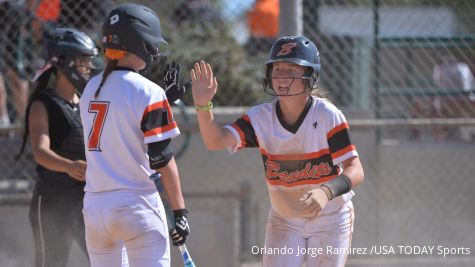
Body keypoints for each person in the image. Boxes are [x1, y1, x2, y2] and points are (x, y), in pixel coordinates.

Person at [191, 36, 364, 266]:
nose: (281, 77)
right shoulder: (261, 118)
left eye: (291, 71)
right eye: (277, 69)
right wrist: (203, 105)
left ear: (309, 77)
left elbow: (356, 170)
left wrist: (325, 192)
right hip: (285, 219)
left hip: (330, 218)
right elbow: (215, 140)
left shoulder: (327, 116)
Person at [79, 3, 190, 266]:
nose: (154, 52)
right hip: (136, 205)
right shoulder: (149, 91)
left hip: (95, 208)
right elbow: (162, 160)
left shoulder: (90, 88)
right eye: (151, 45)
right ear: (139, 43)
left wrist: (165, 102)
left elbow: (119, 121)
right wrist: (180, 212)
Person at [18, 27, 98, 267]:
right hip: (52, 200)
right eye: (82, 60)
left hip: (85, 201)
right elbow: (41, 152)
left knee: (104, 260)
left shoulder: (87, 100)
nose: (88, 66)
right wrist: (69, 166)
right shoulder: (43, 103)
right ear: (64, 63)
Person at [0, 0, 30, 127]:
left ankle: (23, 121)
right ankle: (5, 121)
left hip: (13, 9)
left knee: (16, 68)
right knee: (14, 66)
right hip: (15, 8)